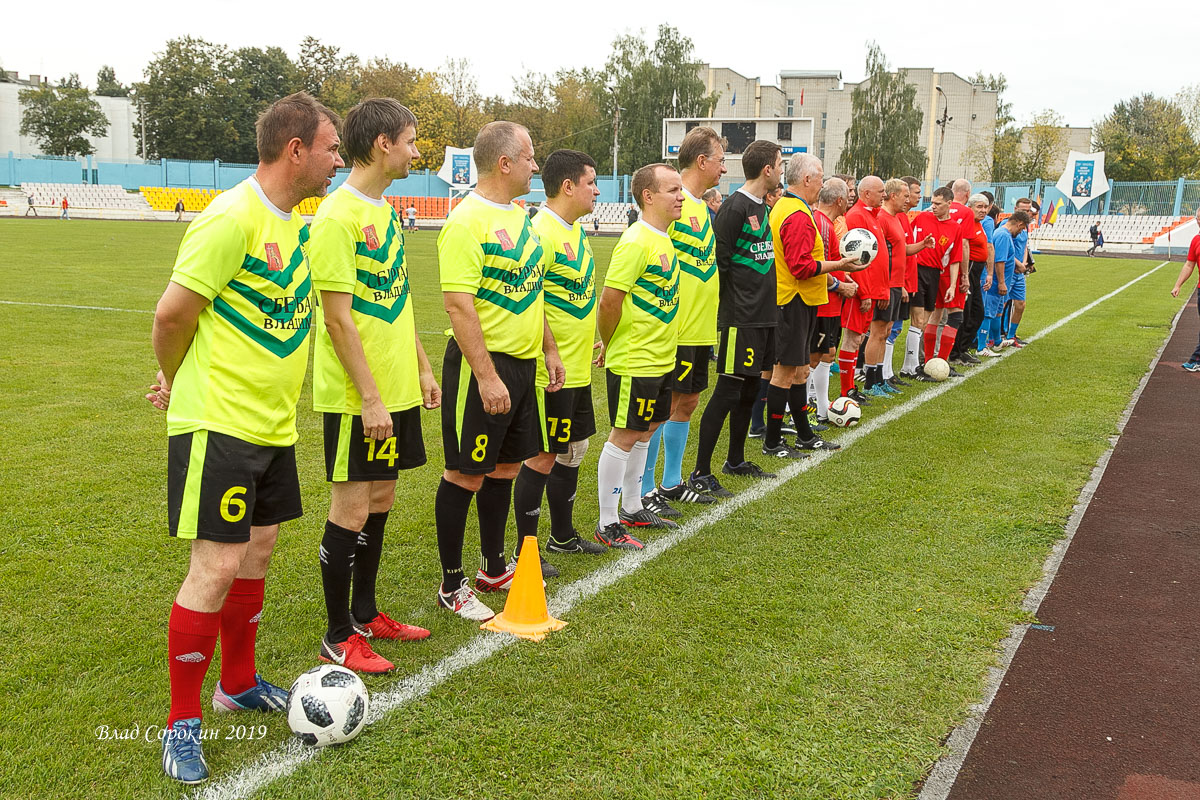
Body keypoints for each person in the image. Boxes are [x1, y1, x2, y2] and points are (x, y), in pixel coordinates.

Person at [147, 92, 344, 784]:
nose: (337, 160)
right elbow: (171, 317)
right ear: (297, 149)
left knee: (257, 553)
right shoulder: (230, 217)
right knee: (217, 566)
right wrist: (176, 383)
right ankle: (181, 725)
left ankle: (238, 683)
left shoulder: (294, 223)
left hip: (271, 425)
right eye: (331, 147)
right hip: (220, 422)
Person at [308, 98, 438, 675]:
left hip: (394, 387)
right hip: (357, 396)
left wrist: (422, 367)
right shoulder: (336, 216)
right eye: (411, 140)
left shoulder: (384, 212)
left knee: (380, 498)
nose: (416, 151)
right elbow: (337, 317)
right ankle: (339, 636)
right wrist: (369, 395)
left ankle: (366, 614)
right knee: (352, 504)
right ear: (383, 143)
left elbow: (396, 299)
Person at [433, 121, 564, 621]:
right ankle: (451, 585)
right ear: (504, 163)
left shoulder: (521, 217)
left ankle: (491, 566)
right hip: (482, 366)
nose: (537, 165)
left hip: (523, 365)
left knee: (506, 466)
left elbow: (533, 291)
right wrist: (486, 375)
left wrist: (548, 348)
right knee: (466, 472)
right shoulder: (466, 221)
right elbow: (458, 305)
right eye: (530, 157)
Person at [510, 149, 607, 562]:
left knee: (574, 449)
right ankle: (525, 549)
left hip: (577, 364)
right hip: (552, 372)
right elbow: (532, 300)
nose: (597, 190)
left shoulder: (573, 229)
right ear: (568, 186)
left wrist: (591, 339)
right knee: (543, 455)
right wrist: (552, 350)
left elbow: (571, 294)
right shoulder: (541, 232)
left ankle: (562, 536)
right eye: (591, 182)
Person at [685, 140, 783, 504]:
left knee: (749, 389)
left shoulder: (763, 207)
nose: (781, 170)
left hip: (764, 315)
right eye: (779, 164)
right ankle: (701, 470)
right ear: (767, 170)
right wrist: (729, 312)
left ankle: (736, 459)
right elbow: (719, 264)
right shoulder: (734, 208)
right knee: (727, 389)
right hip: (741, 317)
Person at [594, 163, 684, 548]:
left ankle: (632, 505)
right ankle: (607, 521)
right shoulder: (635, 241)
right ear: (648, 196)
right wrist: (611, 342)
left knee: (647, 430)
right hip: (636, 358)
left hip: (661, 356)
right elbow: (610, 300)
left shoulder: (664, 236)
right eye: (672, 190)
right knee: (625, 434)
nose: (681, 196)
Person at [642, 126, 726, 507]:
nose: (724, 168)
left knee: (687, 402)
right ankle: (644, 489)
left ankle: (672, 481)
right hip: (674, 329)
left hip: (699, 329)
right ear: (702, 161)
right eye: (721, 160)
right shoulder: (673, 207)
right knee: (661, 409)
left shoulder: (700, 209)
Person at [764, 153, 860, 457]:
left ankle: (804, 435)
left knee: (802, 371)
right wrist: (839, 265)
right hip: (792, 301)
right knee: (784, 373)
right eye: (820, 175)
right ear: (807, 180)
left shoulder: (793, 208)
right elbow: (801, 267)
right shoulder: (796, 214)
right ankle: (772, 441)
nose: (823, 181)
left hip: (800, 301)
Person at [811, 177, 858, 421]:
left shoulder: (827, 223)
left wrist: (847, 277)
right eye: (849, 193)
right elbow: (820, 267)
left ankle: (819, 406)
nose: (852, 197)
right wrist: (841, 286)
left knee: (825, 353)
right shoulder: (823, 224)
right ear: (839, 200)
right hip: (823, 302)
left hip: (829, 300)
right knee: (816, 356)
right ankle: (811, 406)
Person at [844, 176, 891, 396]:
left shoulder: (873, 215)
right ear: (866, 194)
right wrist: (864, 292)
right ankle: (848, 389)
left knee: (859, 338)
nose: (885, 195)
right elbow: (855, 260)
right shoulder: (856, 216)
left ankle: (852, 387)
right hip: (861, 291)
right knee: (853, 339)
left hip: (872, 290)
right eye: (881, 191)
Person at [911, 187, 966, 378]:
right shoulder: (921, 218)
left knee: (948, 317)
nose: (932, 207)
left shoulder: (955, 228)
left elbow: (955, 258)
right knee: (929, 318)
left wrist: (953, 284)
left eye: (937, 204)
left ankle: (940, 362)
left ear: (949, 204)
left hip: (941, 275)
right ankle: (927, 362)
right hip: (920, 272)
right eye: (932, 203)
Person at [979, 210, 1030, 354]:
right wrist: (1001, 282)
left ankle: (997, 342)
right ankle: (981, 346)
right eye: (1021, 228)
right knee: (989, 312)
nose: (1021, 232)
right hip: (996, 282)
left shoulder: (1005, 235)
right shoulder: (1002, 235)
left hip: (1002, 282)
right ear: (1019, 223)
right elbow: (999, 261)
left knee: (997, 312)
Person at [953, 194, 995, 363]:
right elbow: (963, 246)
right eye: (979, 207)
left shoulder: (980, 225)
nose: (983, 210)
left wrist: (988, 272)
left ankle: (963, 348)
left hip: (976, 271)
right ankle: (955, 353)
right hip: (968, 269)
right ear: (970, 207)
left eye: (985, 207)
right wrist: (965, 275)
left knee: (978, 313)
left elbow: (987, 248)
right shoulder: (968, 223)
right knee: (966, 312)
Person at [946, 180, 979, 364]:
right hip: (954, 267)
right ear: (967, 194)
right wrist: (964, 274)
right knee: (955, 314)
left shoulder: (932, 211)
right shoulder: (966, 212)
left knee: (933, 316)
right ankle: (948, 356)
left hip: (936, 267)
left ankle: (927, 357)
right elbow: (964, 244)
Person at [1169, 206, 1200, 371]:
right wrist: (1178, 285)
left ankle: (1196, 359)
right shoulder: (1196, 240)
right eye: (1198, 218)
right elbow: (1189, 264)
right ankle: (1197, 360)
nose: (1199, 221)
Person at [1002, 197, 1035, 347]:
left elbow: (1024, 246)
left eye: (1028, 210)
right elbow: (1005, 249)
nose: (1026, 213)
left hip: (1019, 271)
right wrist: (1017, 263)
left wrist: (1024, 263)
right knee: (1001, 304)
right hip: (1009, 270)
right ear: (1015, 210)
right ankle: (995, 335)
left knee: (1020, 304)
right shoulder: (1006, 226)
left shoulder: (1025, 227)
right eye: (1023, 210)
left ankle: (1011, 335)